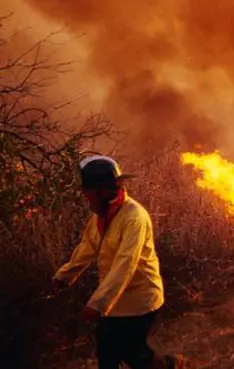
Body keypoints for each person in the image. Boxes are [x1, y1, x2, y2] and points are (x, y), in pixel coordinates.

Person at [52, 155, 183, 369]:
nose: (86, 196)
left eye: (88, 191)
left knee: (133, 354)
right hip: (114, 301)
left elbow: (125, 265)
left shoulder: (134, 217)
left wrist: (97, 304)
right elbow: (87, 247)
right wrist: (64, 276)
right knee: (107, 353)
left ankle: (169, 365)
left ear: (103, 190)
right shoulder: (101, 216)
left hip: (140, 300)